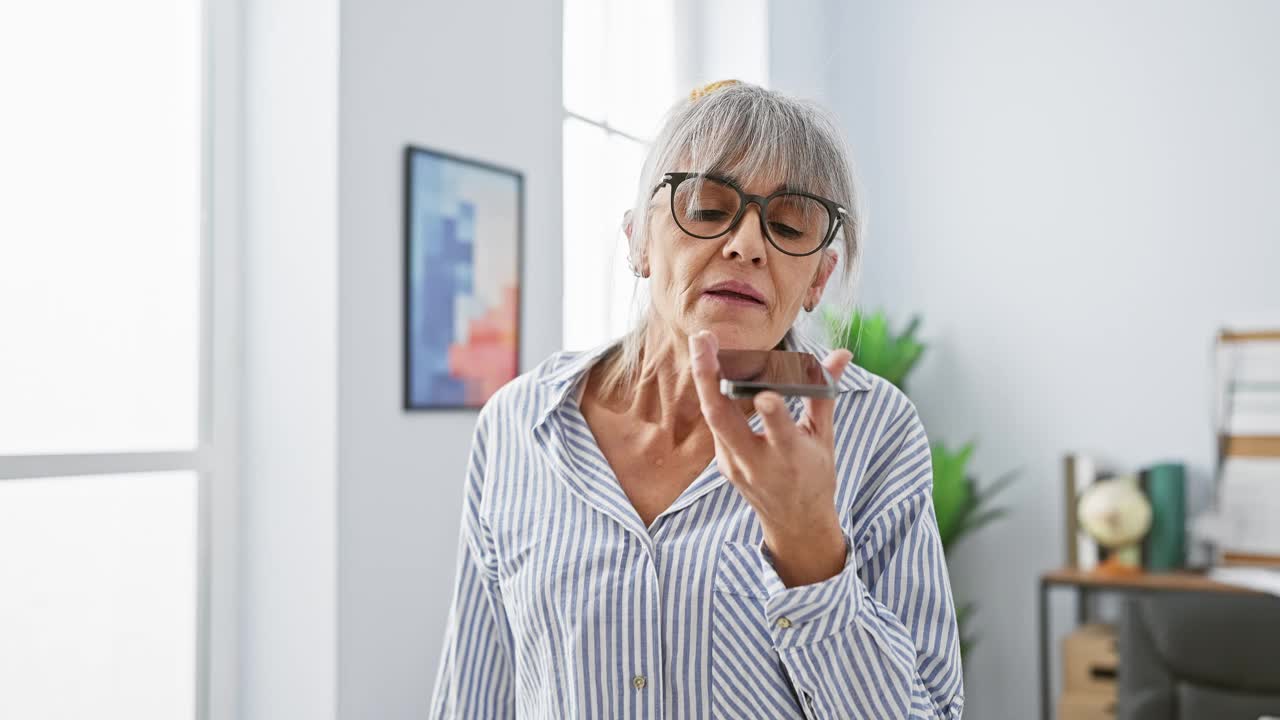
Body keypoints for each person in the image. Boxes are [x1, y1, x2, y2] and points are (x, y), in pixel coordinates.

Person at [429, 79, 964, 719]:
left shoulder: (873, 430)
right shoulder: (519, 424)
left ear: (819, 277)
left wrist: (811, 550)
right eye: (708, 210)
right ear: (638, 242)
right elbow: (473, 697)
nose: (746, 244)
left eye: (789, 224)